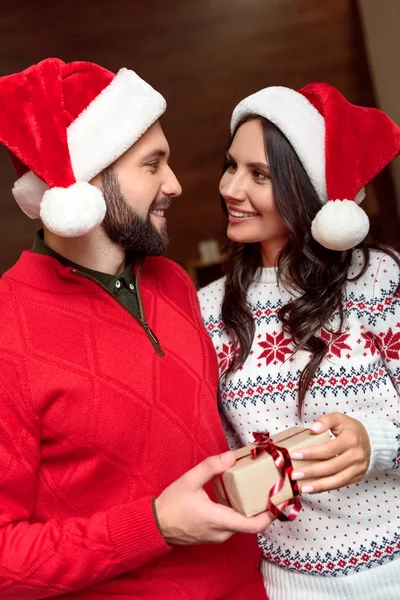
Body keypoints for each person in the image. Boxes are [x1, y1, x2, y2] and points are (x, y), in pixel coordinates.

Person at [0, 58, 273, 599]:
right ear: (87, 182)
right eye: (153, 165)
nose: (174, 184)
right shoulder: (9, 330)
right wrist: (154, 525)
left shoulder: (171, 282)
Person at [198, 82, 400, 600]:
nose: (230, 188)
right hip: (286, 582)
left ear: (304, 188)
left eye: (259, 175)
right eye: (231, 165)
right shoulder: (206, 310)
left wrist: (377, 440)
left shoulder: (380, 279)